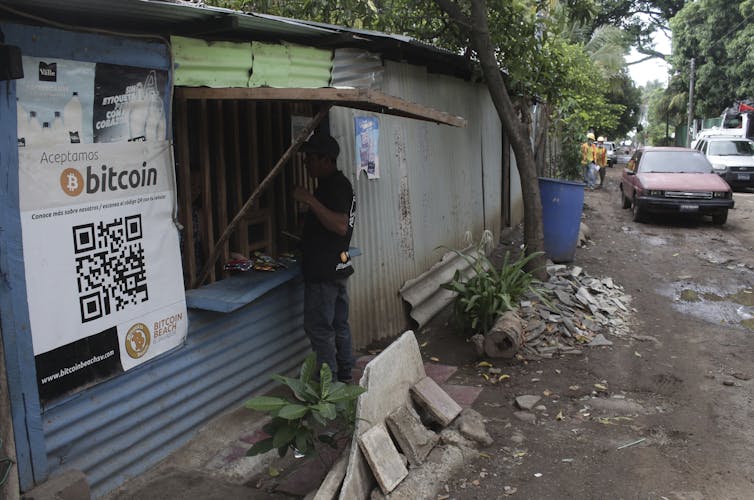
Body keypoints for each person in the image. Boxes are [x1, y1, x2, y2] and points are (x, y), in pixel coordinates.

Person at [293, 132, 357, 382]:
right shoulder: (332, 186)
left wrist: (309, 199)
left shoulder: (335, 186)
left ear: (326, 160)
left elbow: (340, 226)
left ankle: (328, 388)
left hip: (325, 271)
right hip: (336, 267)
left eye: (310, 158)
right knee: (339, 325)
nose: (306, 163)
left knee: (320, 330)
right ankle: (344, 377)